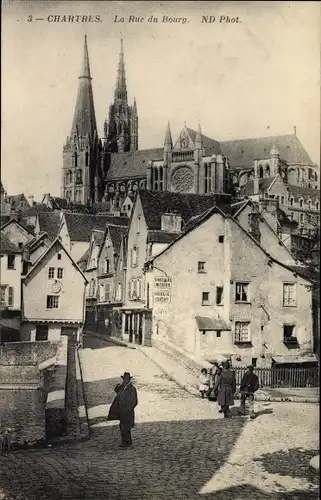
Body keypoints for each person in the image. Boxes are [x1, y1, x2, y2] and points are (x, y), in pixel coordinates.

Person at [107, 372, 138, 448]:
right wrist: (118, 386)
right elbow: (116, 390)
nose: (125, 381)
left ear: (129, 380)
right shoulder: (121, 387)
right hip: (121, 411)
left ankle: (127, 442)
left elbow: (134, 401)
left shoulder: (132, 389)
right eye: (124, 379)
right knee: (122, 426)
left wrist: (129, 408)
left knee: (127, 427)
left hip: (128, 412)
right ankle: (125, 441)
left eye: (126, 379)